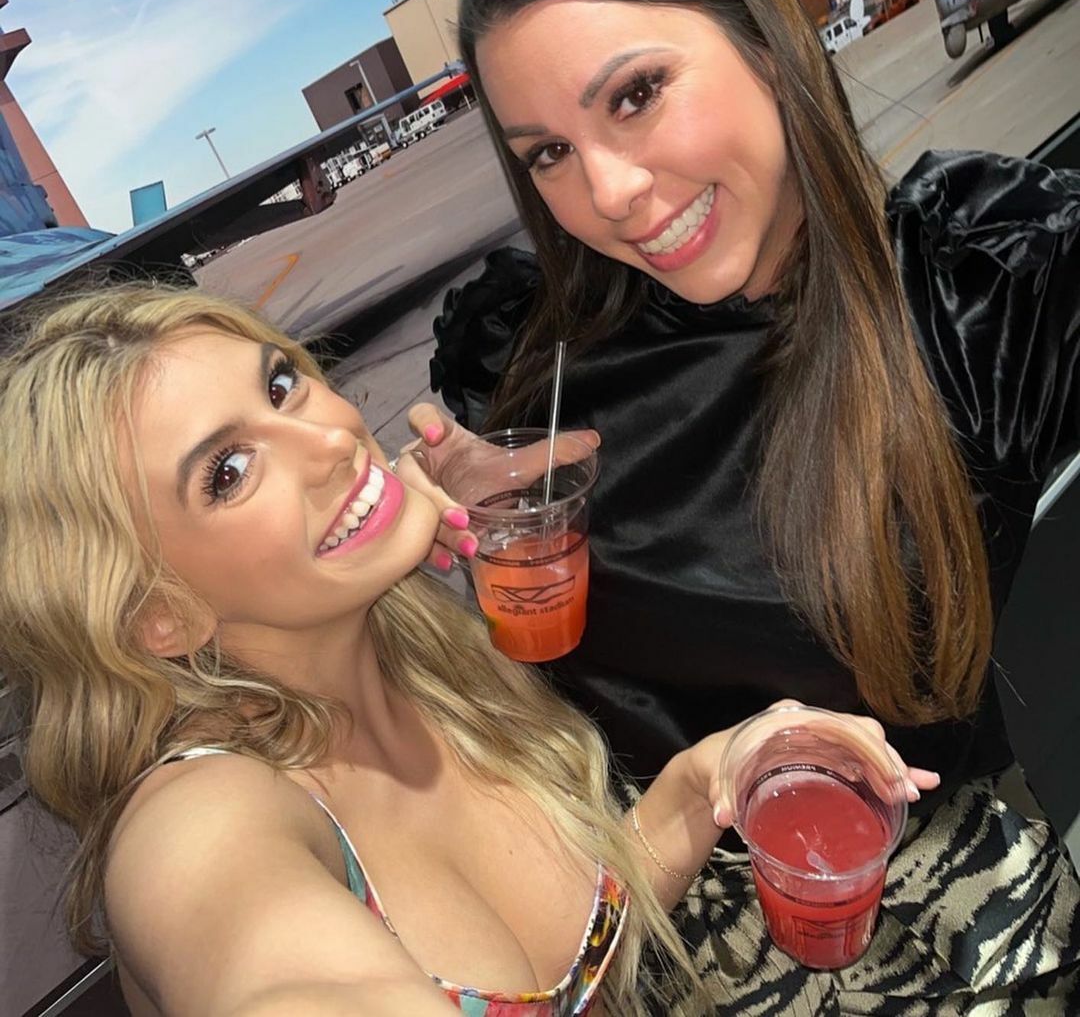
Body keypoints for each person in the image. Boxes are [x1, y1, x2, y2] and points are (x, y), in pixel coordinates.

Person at [424, 0, 1080, 1009]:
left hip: (934, 923)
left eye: (636, 95)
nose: (610, 193)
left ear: (765, 41)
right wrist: (443, 554)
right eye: (548, 153)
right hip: (637, 922)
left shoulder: (973, 294)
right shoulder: (522, 350)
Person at [0, 282, 932, 1016]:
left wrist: (704, 779)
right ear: (159, 616)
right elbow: (272, 970)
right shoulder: (195, 823)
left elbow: (582, 960)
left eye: (281, 384)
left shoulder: (430, 654)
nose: (329, 437)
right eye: (229, 471)